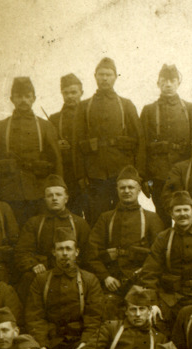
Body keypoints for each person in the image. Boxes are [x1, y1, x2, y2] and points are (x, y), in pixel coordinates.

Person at [74, 57, 145, 227]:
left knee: (125, 217)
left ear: (115, 77)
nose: (104, 78)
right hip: (95, 175)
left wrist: (139, 174)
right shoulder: (84, 107)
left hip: (121, 173)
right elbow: (77, 143)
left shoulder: (126, 105)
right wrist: (81, 175)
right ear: (95, 76)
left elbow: (140, 140)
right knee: (97, 218)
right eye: (101, 74)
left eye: (108, 74)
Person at [86, 165, 165, 317]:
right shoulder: (106, 218)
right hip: (112, 283)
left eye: (131, 187)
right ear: (117, 190)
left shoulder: (152, 218)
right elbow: (92, 252)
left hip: (141, 282)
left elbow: (158, 255)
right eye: (122, 188)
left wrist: (144, 279)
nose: (126, 191)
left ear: (139, 190)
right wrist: (105, 277)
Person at [25, 227, 105, 349]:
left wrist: (84, 344)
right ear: (54, 252)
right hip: (52, 343)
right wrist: (42, 346)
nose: (65, 253)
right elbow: (35, 317)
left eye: (69, 248)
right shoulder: (41, 281)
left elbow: (94, 318)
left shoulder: (89, 280)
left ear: (77, 252)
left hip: (80, 341)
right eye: (60, 249)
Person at [140, 191, 192, 328]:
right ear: (172, 214)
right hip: (171, 299)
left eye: (186, 210)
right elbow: (150, 272)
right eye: (178, 210)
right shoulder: (163, 237)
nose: (182, 214)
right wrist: (153, 303)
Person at [0, 77, 63, 227]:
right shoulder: (2, 126)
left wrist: (58, 190)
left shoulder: (45, 126)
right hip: (9, 192)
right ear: (12, 99)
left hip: (39, 192)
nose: (23, 100)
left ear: (33, 98)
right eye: (19, 96)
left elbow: (56, 161)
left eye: (27, 96)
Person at [14, 175, 91, 300]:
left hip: (71, 273)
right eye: (50, 195)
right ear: (45, 199)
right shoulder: (34, 223)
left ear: (66, 198)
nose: (54, 198)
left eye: (58, 195)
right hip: (43, 273)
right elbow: (22, 252)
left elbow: (88, 254)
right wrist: (33, 265)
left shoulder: (79, 223)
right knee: (28, 279)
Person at [141, 64, 192, 224]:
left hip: (184, 173)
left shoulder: (190, 109)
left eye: (172, 80)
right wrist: (145, 177)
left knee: (187, 214)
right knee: (162, 217)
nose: (168, 84)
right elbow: (142, 145)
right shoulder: (149, 110)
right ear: (158, 83)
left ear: (178, 83)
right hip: (158, 173)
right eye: (164, 81)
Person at [48, 73, 87, 219]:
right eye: (66, 93)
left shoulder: (89, 115)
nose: (70, 96)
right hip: (67, 176)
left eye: (73, 92)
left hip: (88, 175)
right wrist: (56, 145)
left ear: (81, 93)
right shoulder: (54, 119)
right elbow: (48, 148)